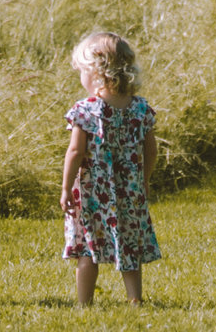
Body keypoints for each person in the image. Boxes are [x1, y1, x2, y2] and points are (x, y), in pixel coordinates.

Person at [61, 29, 160, 307]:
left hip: (94, 193)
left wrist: (66, 187)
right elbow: (150, 149)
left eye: (82, 70)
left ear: (96, 73)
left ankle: (84, 303)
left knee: (87, 249)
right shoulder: (140, 108)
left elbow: (76, 151)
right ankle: (135, 299)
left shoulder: (85, 110)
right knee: (128, 243)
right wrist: (144, 178)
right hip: (129, 191)